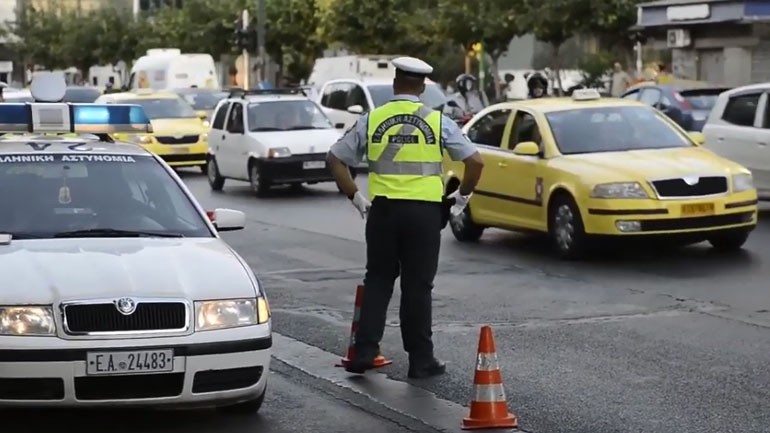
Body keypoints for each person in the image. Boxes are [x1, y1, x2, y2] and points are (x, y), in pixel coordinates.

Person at [327, 57, 485, 378]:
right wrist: (461, 198)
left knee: (379, 280)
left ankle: (364, 353)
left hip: (383, 212)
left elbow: (335, 158)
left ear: (395, 82)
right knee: (417, 287)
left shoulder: (373, 119)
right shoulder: (437, 121)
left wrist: (357, 199)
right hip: (424, 214)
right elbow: (476, 162)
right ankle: (420, 360)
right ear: (423, 86)